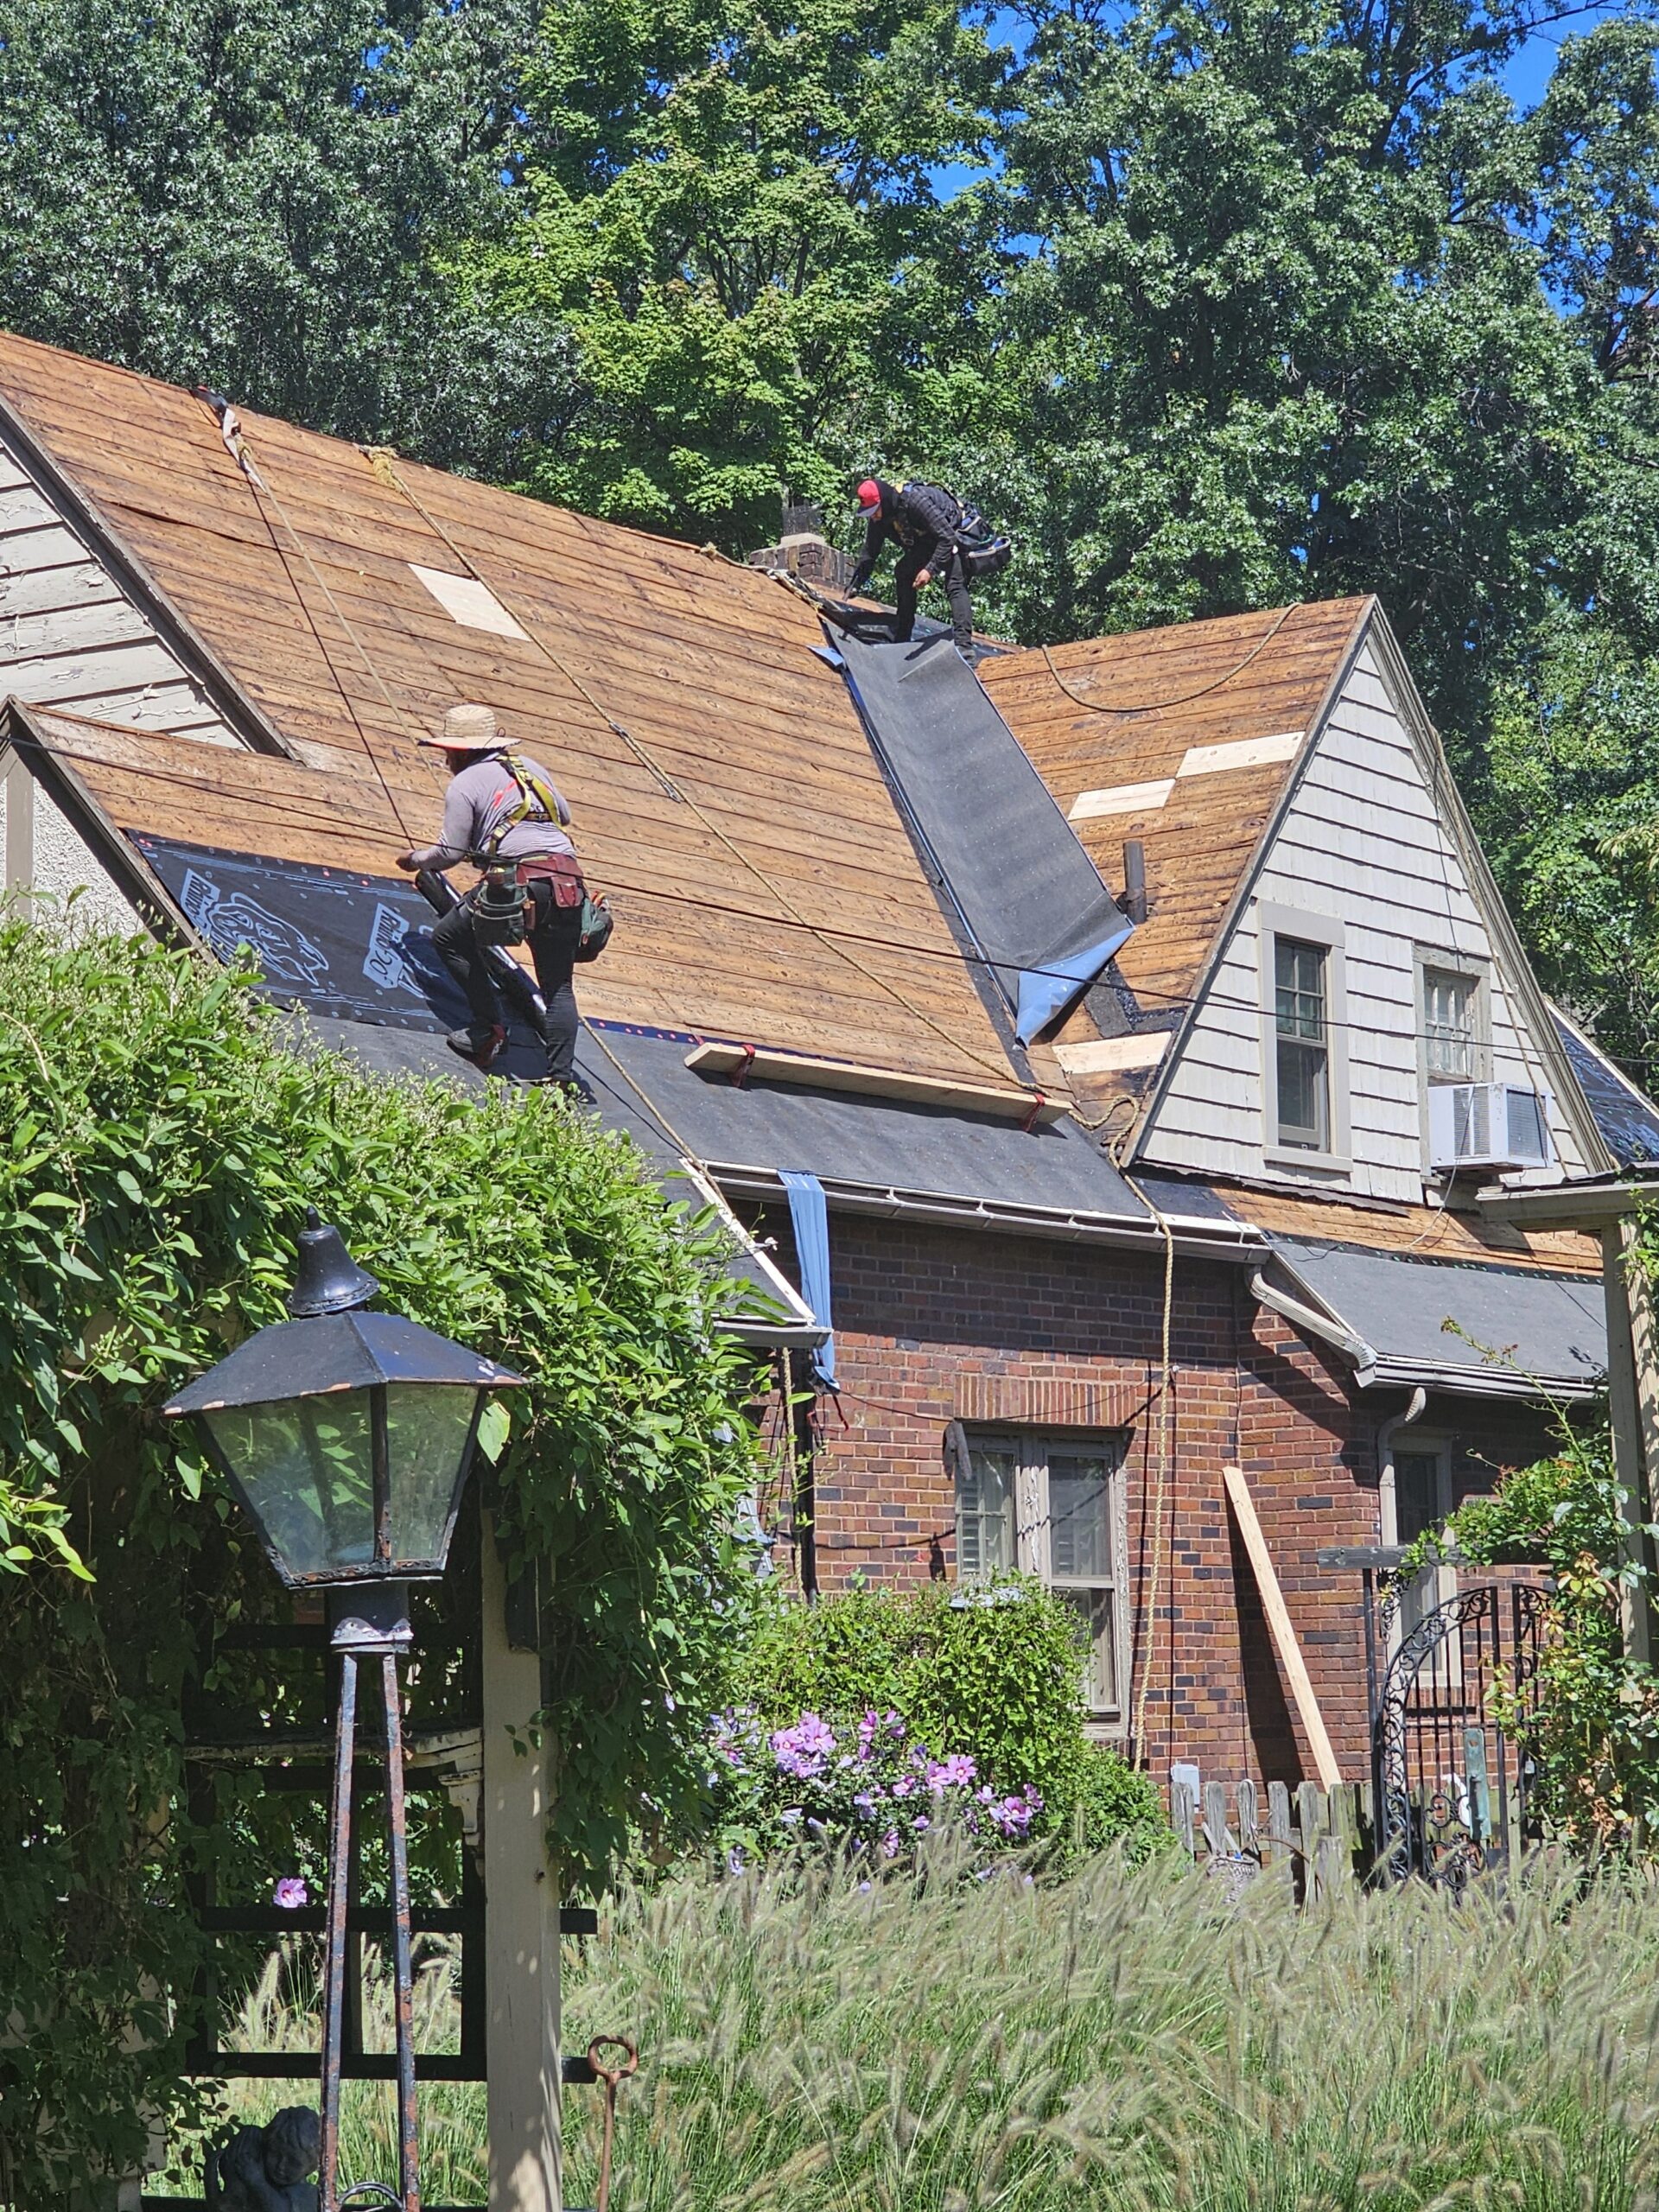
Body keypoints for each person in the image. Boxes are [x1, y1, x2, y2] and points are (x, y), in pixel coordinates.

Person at [396, 702, 587, 1090]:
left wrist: (414, 860)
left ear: (462, 751)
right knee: (558, 985)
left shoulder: (464, 783)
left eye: (448, 752)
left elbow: (448, 854)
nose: (446, 760)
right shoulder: (531, 768)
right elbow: (562, 815)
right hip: (566, 882)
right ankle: (560, 1080)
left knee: (449, 938)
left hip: (517, 879)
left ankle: (488, 1029)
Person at [847, 477, 976, 655]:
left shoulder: (915, 501)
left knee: (954, 585)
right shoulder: (878, 519)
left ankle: (964, 647)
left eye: (874, 510)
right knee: (903, 571)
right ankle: (902, 637)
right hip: (926, 542)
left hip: (954, 535)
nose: (873, 515)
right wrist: (856, 583)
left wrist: (929, 570)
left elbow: (947, 537)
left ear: (883, 500)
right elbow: (870, 551)